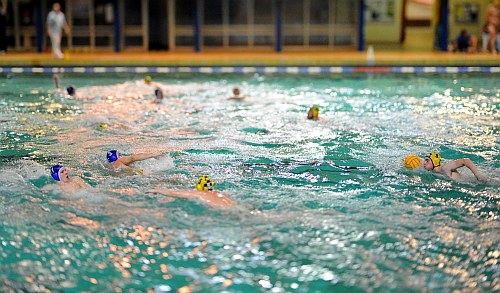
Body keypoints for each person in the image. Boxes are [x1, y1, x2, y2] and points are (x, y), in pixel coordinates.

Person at [147, 175, 235, 208]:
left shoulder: (200, 193)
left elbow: (175, 193)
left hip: (224, 212)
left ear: (199, 186)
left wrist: (158, 190)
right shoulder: (220, 193)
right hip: (235, 207)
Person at [422, 152, 486, 182]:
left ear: (434, 162)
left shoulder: (445, 167)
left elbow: (466, 160)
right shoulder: (433, 170)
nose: (424, 163)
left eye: (427, 160)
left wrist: (479, 176)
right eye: (424, 160)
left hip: (472, 182)